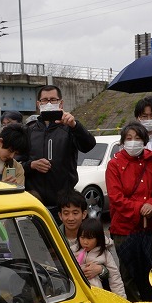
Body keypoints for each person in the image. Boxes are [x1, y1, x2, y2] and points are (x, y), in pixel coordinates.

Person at [106, 121, 152, 301]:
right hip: (125, 228)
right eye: (129, 138)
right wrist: (140, 208)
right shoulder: (114, 165)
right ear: (122, 142)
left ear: (145, 140)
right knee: (128, 273)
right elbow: (116, 198)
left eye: (138, 138)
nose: (133, 142)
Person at [23, 85, 96, 215]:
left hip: (64, 204)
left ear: (61, 103)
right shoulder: (29, 131)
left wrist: (75, 126)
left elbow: (89, 146)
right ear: (38, 104)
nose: (49, 103)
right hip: (35, 203)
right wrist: (31, 165)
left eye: (53, 100)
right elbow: (17, 164)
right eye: (44, 100)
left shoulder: (69, 128)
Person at [57, 190, 104, 283]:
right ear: (60, 215)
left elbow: (112, 269)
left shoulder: (95, 233)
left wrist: (101, 270)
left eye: (75, 213)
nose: (71, 218)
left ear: (84, 214)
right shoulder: (54, 236)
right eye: (66, 213)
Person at [75, 216, 126, 297]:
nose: (85, 242)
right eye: (82, 237)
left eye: (90, 238)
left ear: (98, 238)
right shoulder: (73, 251)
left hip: (98, 295)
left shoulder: (105, 254)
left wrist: (121, 299)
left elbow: (115, 278)